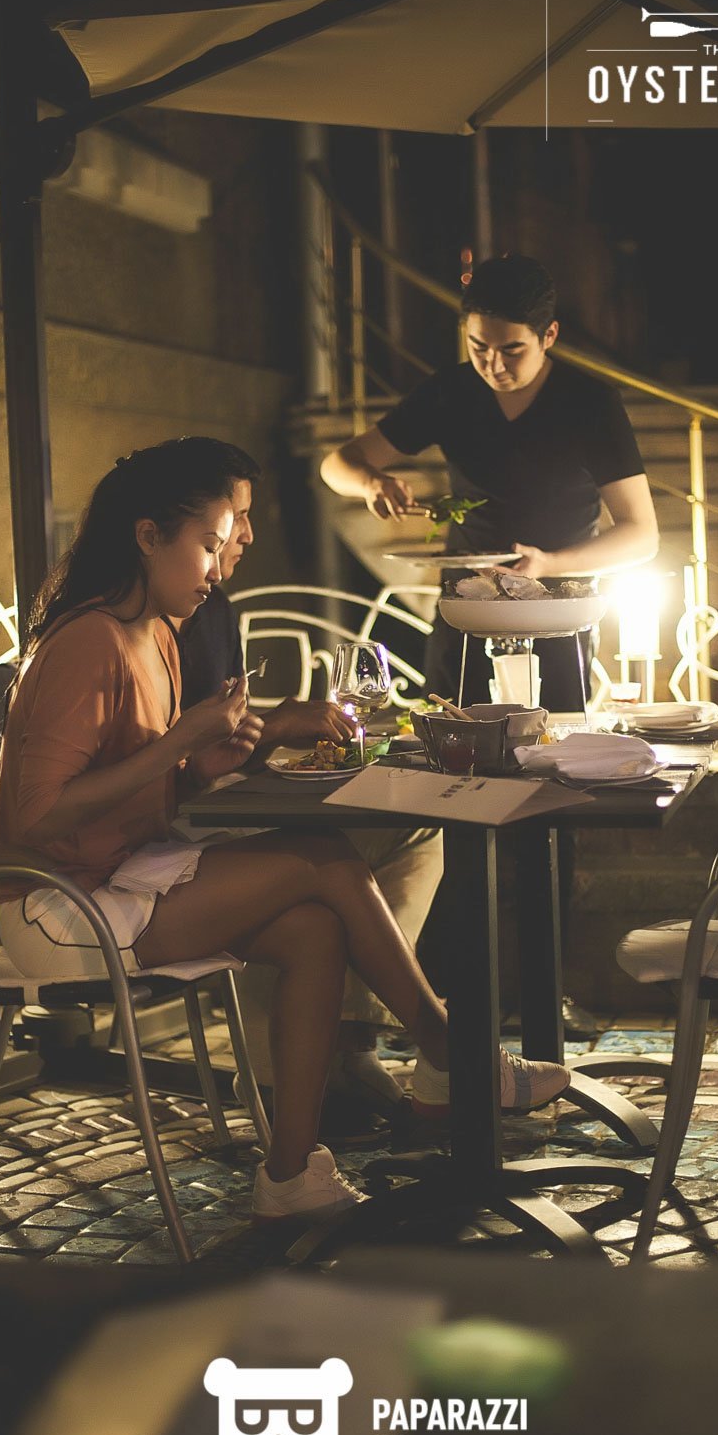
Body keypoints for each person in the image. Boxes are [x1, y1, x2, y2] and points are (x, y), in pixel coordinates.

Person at [0, 438, 570, 1225]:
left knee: (312, 930)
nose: (220, 563)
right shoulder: (90, 639)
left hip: (122, 877)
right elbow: (38, 816)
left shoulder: (155, 632)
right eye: (209, 542)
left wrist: (226, 751)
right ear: (147, 535)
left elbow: (148, 783)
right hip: (55, 908)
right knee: (323, 857)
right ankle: (449, 1049)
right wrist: (180, 743)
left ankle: (290, 1176)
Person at [175, 455, 443, 1120]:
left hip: (204, 806)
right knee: (325, 855)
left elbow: (210, 740)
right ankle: (428, 1048)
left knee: (416, 825)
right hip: (171, 839)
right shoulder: (133, 627)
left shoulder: (209, 607)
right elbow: (176, 756)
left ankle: (348, 1045)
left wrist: (270, 730)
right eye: (232, 522)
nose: (247, 535)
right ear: (155, 534)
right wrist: (274, 728)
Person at [319, 253, 659, 712]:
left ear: (549, 336)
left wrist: (549, 564)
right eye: (478, 347)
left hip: (556, 610)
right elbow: (337, 465)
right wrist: (369, 483)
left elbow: (642, 535)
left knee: (555, 740)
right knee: (452, 732)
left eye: (511, 350)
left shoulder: (590, 403)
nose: (493, 365)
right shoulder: (450, 392)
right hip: (467, 608)